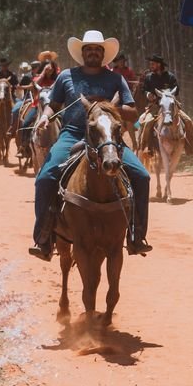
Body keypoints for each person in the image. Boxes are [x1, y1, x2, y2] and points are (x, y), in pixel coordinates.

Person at [30, 30, 152, 259]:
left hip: (108, 138)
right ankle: (43, 238)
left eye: (97, 49)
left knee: (142, 176)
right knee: (45, 177)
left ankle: (137, 235)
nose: (93, 52)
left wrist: (106, 106)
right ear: (82, 53)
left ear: (103, 54)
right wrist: (45, 117)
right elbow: (53, 105)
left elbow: (133, 113)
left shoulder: (116, 79)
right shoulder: (66, 76)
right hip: (72, 134)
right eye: (89, 49)